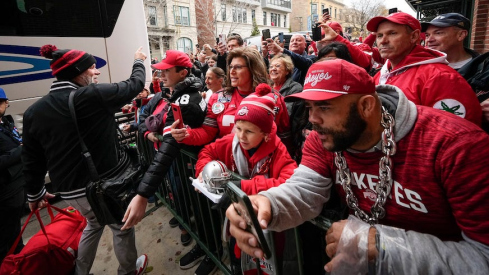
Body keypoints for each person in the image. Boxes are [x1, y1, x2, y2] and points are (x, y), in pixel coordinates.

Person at [226, 59, 489, 274]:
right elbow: (305, 190)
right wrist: (267, 204)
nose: (312, 120)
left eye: (325, 107)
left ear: (365, 106)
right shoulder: (323, 139)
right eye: (308, 107)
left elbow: (483, 257)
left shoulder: (456, 146)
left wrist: (383, 246)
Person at [23, 45, 148, 275]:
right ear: (78, 71)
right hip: (99, 187)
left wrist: (35, 193)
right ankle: (129, 271)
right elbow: (135, 85)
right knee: (122, 227)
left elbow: (32, 158)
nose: (96, 73)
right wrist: (138, 61)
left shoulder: (34, 111)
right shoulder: (90, 96)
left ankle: (80, 272)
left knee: (93, 223)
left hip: (71, 192)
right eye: (92, 68)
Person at [191, 84, 298, 275]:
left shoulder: (278, 150)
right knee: (239, 261)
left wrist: (242, 187)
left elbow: (289, 181)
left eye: (249, 131)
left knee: (268, 264)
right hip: (237, 221)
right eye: (238, 128)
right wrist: (203, 171)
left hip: (269, 227)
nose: (241, 136)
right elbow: (207, 151)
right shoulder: (232, 141)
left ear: (265, 134)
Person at [121, 50, 207, 232]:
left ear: (183, 73)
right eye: (160, 71)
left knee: (200, 209)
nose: (161, 75)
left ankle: (204, 245)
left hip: (189, 165)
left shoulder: (185, 100)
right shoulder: (180, 93)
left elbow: (168, 148)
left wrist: (143, 193)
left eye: (166, 71)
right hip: (183, 163)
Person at [365, 12, 481, 125]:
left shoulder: (440, 77)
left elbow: (459, 135)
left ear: (414, 36)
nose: (383, 41)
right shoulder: (384, 72)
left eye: (392, 33)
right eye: (379, 35)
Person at [171, 47, 290, 147]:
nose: (231, 72)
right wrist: (186, 134)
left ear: (253, 69)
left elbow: (285, 139)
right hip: (227, 165)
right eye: (231, 67)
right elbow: (207, 132)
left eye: (238, 67)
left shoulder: (274, 99)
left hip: (262, 166)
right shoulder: (217, 98)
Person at [0, 88, 25, 262]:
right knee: (4, 237)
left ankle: (19, 261)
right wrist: (20, 151)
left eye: (1, 102)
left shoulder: (6, 123)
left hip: (17, 187)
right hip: (4, 195)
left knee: (16, 232)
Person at [268, 54, 304, 161]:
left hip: (286, 141)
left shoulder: (295, 88)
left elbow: (288, 114)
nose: (273, 69)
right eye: (271, 67)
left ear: (287, 71)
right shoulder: (267, 87)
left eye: (278, 66)